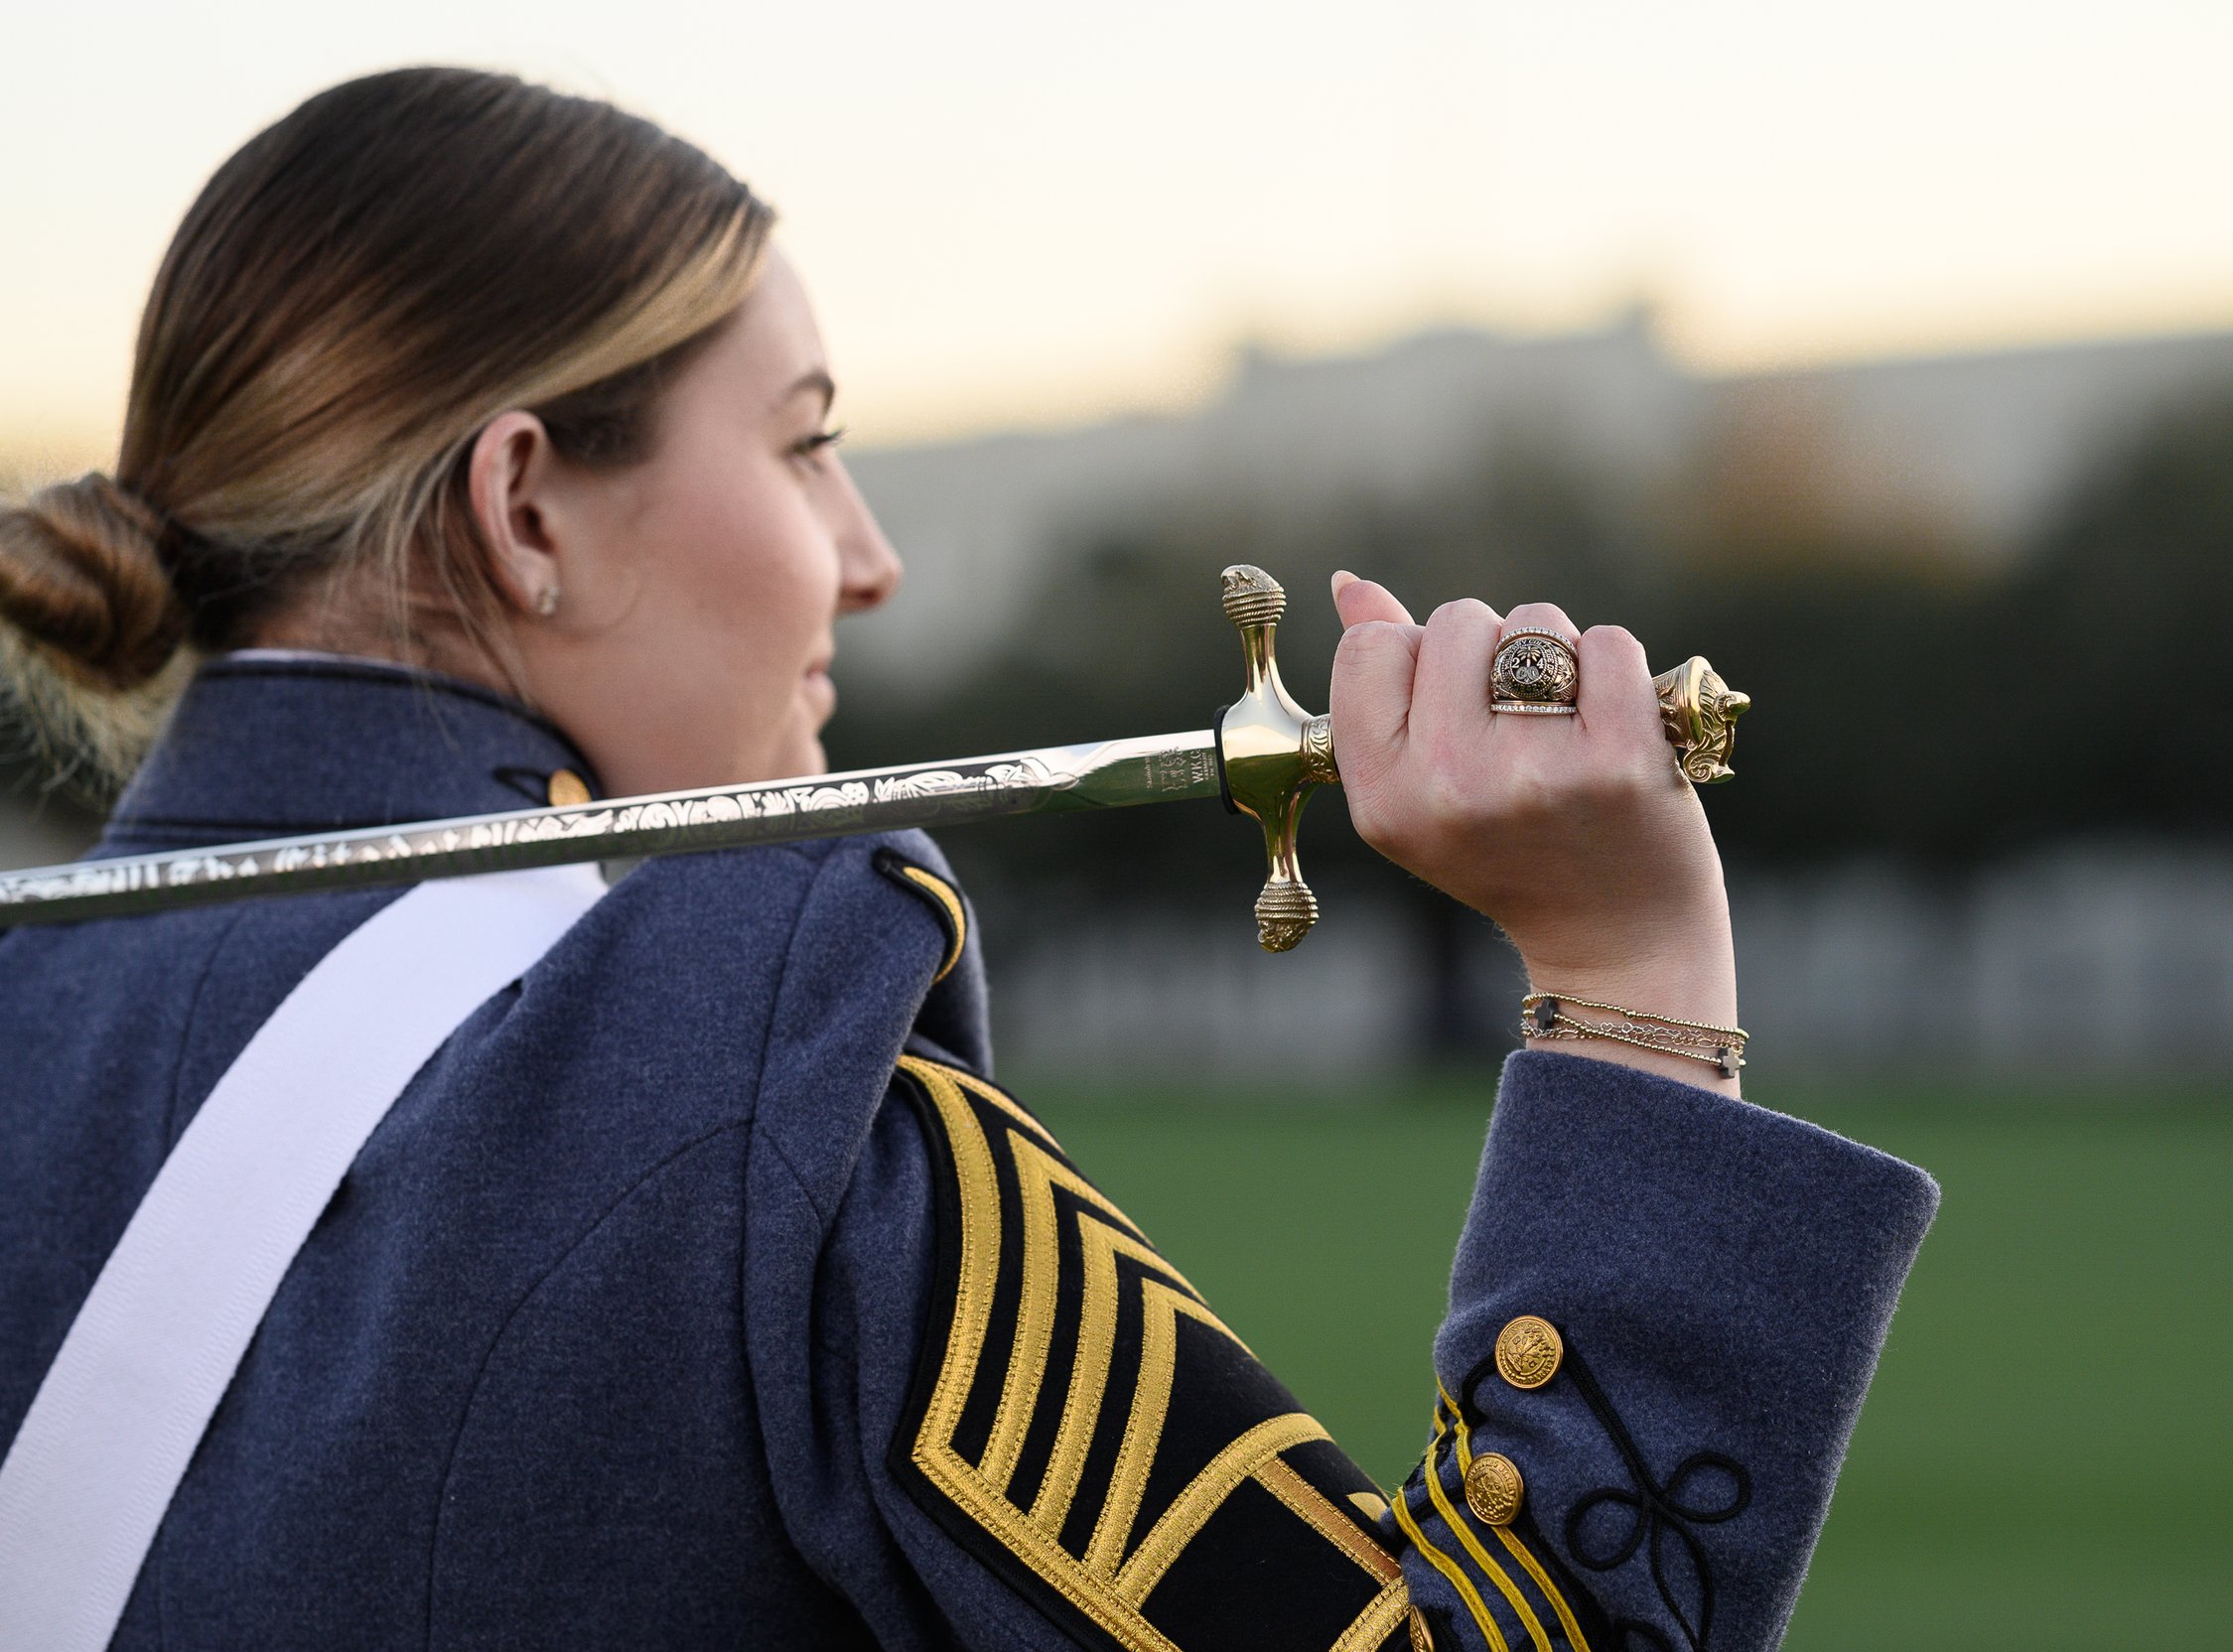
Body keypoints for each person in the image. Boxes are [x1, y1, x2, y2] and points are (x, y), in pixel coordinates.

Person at [0, 68, 1937, 1652]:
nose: (865, 553)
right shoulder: (755, 1097)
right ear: (524, 511)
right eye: (802, 444)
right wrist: (1638, 978)